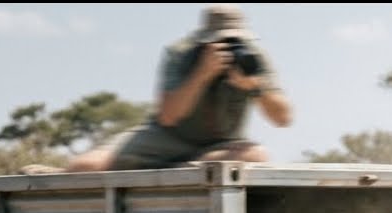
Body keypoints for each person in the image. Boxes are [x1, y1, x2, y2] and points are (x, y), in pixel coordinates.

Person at [22, 4, 292, 174]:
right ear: (205, 41)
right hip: (166, 138)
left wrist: (255, 87)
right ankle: (178, 170)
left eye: (234, 42)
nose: (230, 49)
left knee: (257, 156)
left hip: (219, 147)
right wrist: (202, 74)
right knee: (85, 167)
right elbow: (168, 116)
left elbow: (283, 118)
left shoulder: (252, 59)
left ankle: (179, 172)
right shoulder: (181, 54)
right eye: (222, 43)